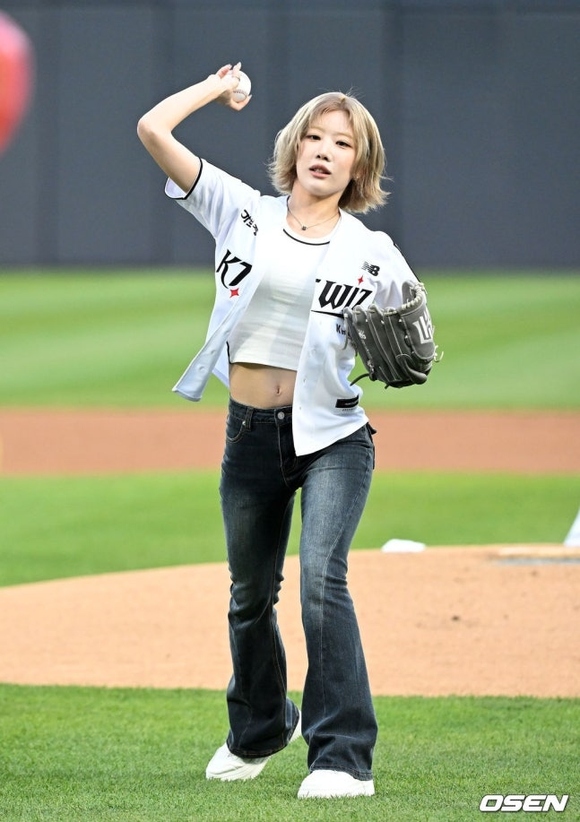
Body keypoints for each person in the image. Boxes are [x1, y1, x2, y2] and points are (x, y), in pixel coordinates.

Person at [137, 62, 424, 800]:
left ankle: (343, 756)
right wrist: (218, 88)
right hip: (250, 434)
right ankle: (262, 727)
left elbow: (415, 339)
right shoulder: (240, 210)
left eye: (344, 144)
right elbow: (153, 129)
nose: (326, 151)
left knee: (323, 582)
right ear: (295, 146)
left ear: (359, 166)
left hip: (333, 436)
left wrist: (410, 351)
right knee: (249, 595)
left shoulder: (373, 250)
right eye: (317, 137)